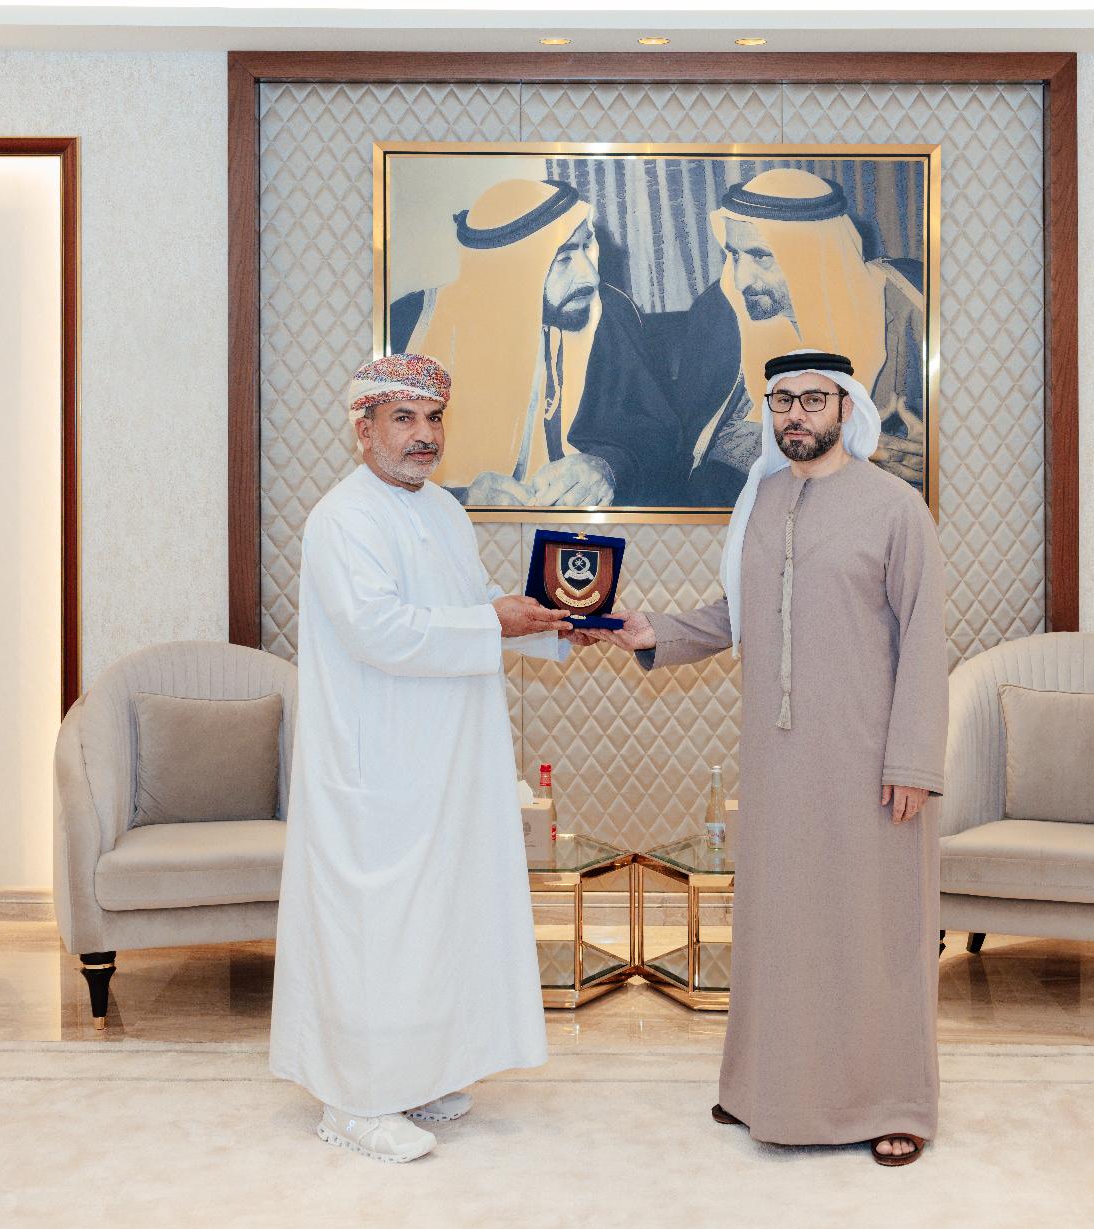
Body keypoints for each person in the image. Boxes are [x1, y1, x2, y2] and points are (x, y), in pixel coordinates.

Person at [582, 348, 949, 1166]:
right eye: (781, 401)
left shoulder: (896, 508)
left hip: (871, 762)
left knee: (874, 930)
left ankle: (892, 1100)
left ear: (845, 407)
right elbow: (737, 613)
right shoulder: (761, 500)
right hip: (780, 761)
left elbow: (925, 637)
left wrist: (914, 761)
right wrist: (653, 631)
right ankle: (764, 1089)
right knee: (781, 927)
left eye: (812, 400)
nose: (795, 415)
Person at [269, 353, 575, 1164]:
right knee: (376, 931)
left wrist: (550, 626)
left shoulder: (444, 511)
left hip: (445, 762)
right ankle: (355, 1101)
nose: (423, 435)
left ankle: (416, 1075)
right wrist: (495, 623)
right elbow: (381, 631)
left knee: (437, 920)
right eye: (403, 418)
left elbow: (467, 613)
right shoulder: (342, 518)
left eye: (433, 418)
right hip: (375, 767)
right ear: (363, 428)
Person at [392, 178, 685, 507]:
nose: (591, 276)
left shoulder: (608, 314)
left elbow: (658, 429)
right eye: (563, 259)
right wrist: (457, 499)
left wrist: (608, 466)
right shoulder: (410, 326)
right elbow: (377, 459)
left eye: (586, 248)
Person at [673, 169, 930, 505]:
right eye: (734, 254)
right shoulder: (722, 311)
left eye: (761, 256)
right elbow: (717, 450)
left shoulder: (912, 297)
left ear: (814, 253)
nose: (740, 279)